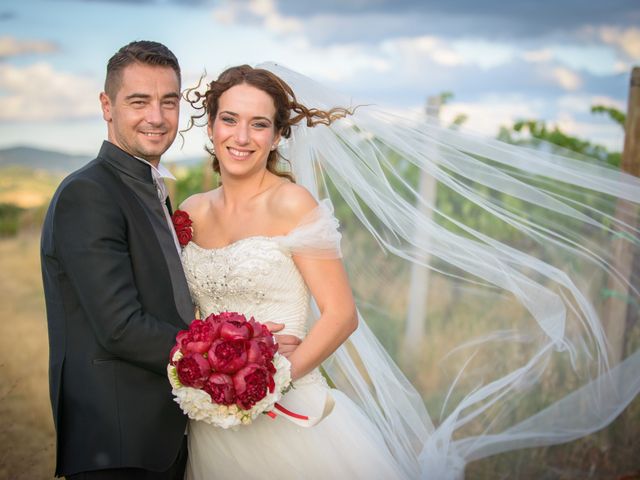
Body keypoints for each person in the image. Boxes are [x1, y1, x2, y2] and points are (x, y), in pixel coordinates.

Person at [179, 63, 640, 479]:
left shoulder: (291, 203)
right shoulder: (190, 210)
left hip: (283, 406)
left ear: (278, 136)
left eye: (259, 124)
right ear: (213, 124)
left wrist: (271, 382)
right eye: (230, 119)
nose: (242, 136)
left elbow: (341, 315)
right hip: (208, 417)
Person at [40, 42, 303, 479]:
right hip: (118, 440)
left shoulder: (148, 188)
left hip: (161, 435)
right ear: (107, 105)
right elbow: (120, 327)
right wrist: (241, 359)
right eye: (138, 101)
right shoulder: (89, 194)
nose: (157, 118)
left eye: (168, 101)